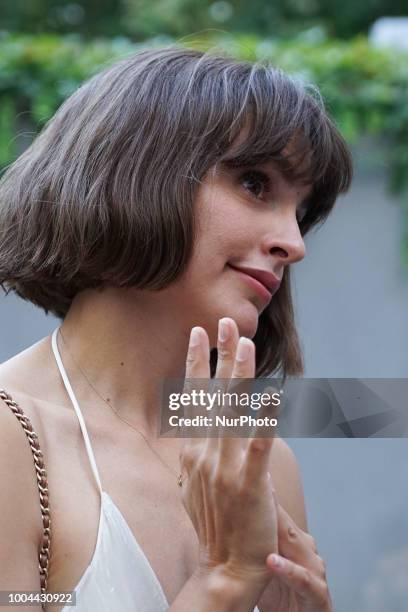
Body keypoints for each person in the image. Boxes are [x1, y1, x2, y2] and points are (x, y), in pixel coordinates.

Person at [0, 46, 352, 611]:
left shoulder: (258, 461)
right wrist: (225, 580)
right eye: (256, 184)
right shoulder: (12, 441)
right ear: (133, 171)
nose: (295, 243)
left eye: (301, 211)